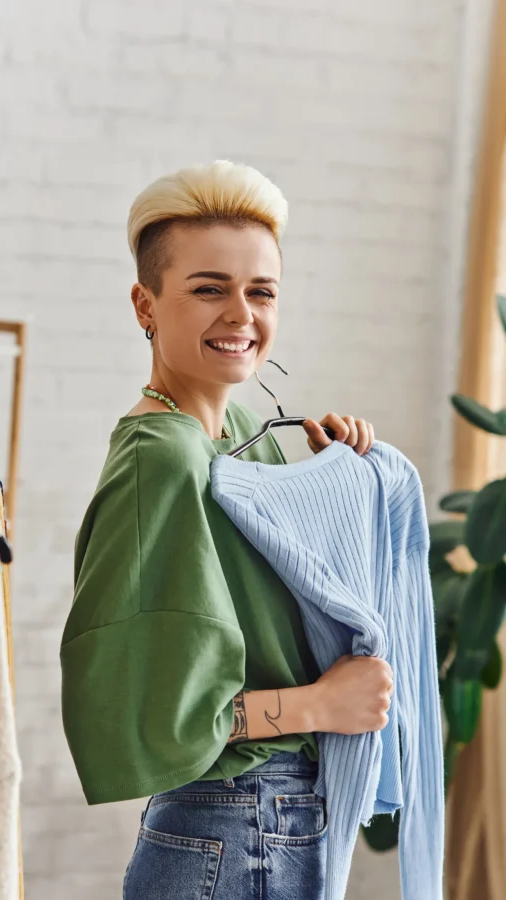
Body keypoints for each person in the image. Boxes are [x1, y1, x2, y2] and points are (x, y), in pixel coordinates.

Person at [60, 160, 394, 900]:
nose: (241, 314)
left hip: (260, 821)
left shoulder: (242, 430)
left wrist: (334, 479)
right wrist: (318, 706)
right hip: (234, 823)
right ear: (145, 305)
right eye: (209, 289)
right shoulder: (163, 457)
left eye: (261, 291)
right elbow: (155, 712)